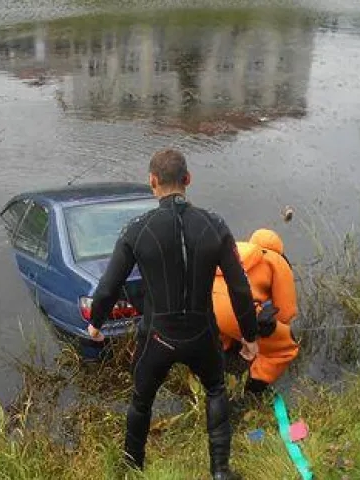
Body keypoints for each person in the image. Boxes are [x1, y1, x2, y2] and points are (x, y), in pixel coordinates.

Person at [86, 148, 259, 480]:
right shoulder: (215, 224)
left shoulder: (136, 229)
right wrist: (250, 337)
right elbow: (239, 288)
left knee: (141, 401)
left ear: (153, 182)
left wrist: (96, 324)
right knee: (215, 390)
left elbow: (108, 286)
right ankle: (220, 471)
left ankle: (133, 467)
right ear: (188, 180)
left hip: (157, 336)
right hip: (202, 334)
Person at [212, 228, 300, 396]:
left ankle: (223, 346)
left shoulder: (234, 249)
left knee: (221, 327)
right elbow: (286, 311)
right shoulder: (276, 260)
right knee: (284, 349)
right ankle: (253, 390)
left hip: (204, 304)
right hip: (236, 309)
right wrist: (275, 327)